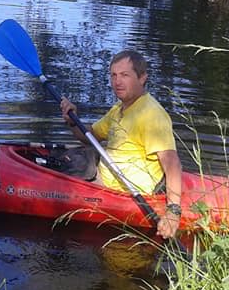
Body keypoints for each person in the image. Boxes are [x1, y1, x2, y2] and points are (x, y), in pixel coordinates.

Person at [60, 50, 183, 239]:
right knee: (70, 157)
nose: (117, 82)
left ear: (142, 78)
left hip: (128, 193)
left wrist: (173, 213)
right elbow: (89, 136)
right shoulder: (119, 108)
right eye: (113, 75)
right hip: (105, 175)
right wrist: (71, 119)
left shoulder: (151, 114)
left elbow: (172, 163)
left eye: (125, 75)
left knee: (60, 173)